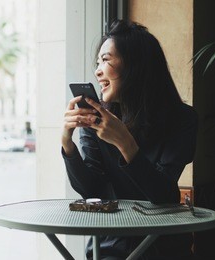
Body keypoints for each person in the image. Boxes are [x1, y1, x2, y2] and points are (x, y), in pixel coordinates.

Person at [61, 19, 198, 260]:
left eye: (106, 60)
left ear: (136, 65)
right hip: (110, 246)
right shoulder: (97, 122)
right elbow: (91, 190)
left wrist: (125, 143)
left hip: (162, 246)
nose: (97, 70)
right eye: (97, 62)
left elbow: (163, 195)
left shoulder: (182, 120)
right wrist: (67, 145)